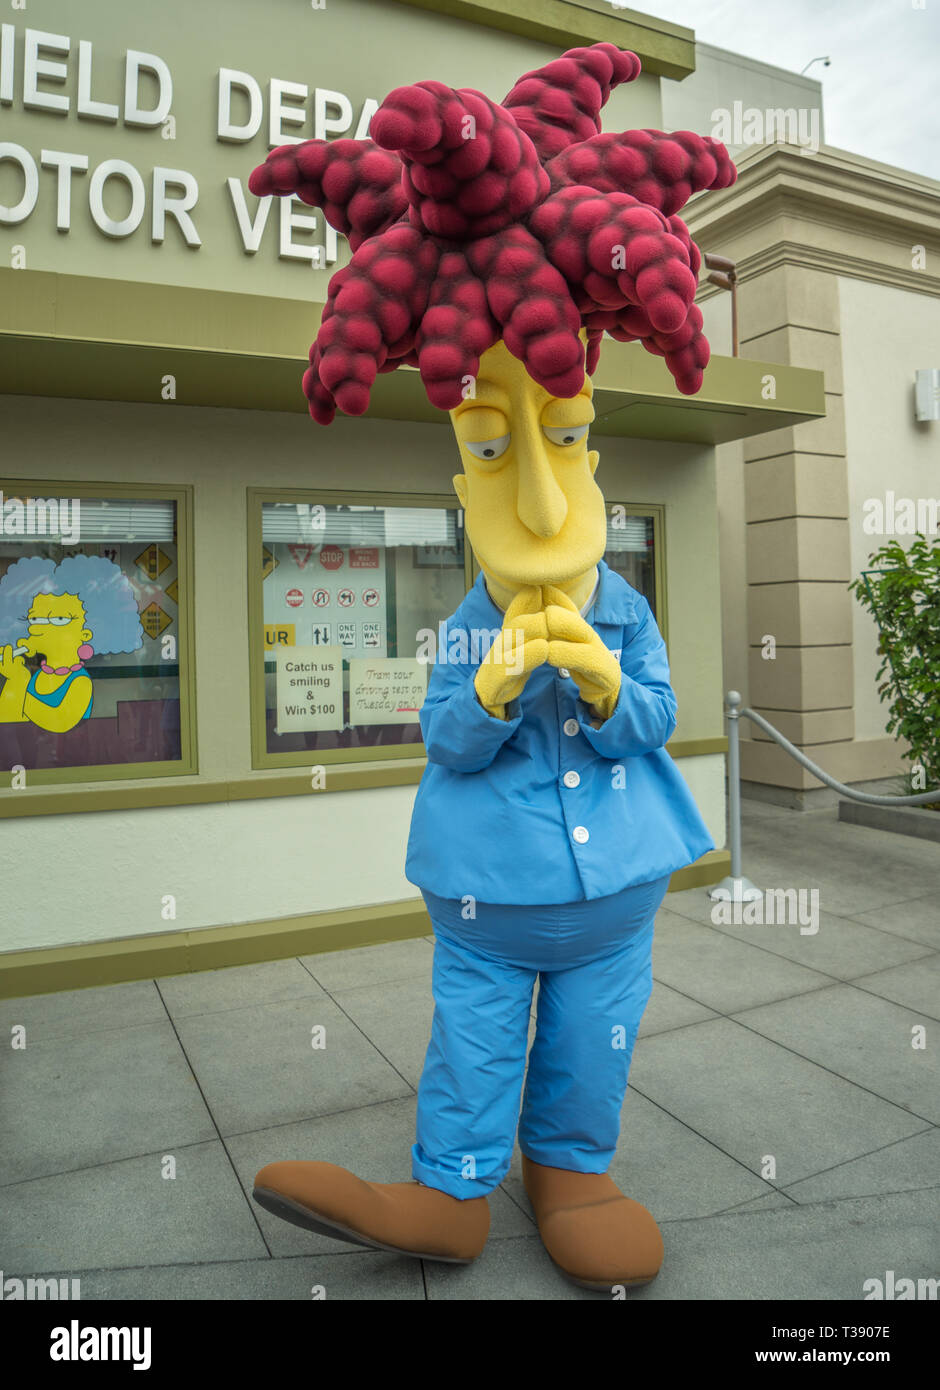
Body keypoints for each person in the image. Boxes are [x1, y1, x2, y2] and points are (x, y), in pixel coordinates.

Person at [246, 40, 734, 1289]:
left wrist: (613, 685)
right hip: (484, 900)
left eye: (565, 433)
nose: (533, 488)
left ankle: (570, 1166)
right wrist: (494, 684)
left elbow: (662, 720)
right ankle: (450, 1188)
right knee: (473, 1043)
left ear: (593, 448)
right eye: (487, 443)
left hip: (619, 894)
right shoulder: (466, 621)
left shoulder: (621, 607)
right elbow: (447, 742)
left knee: (591, 1042)